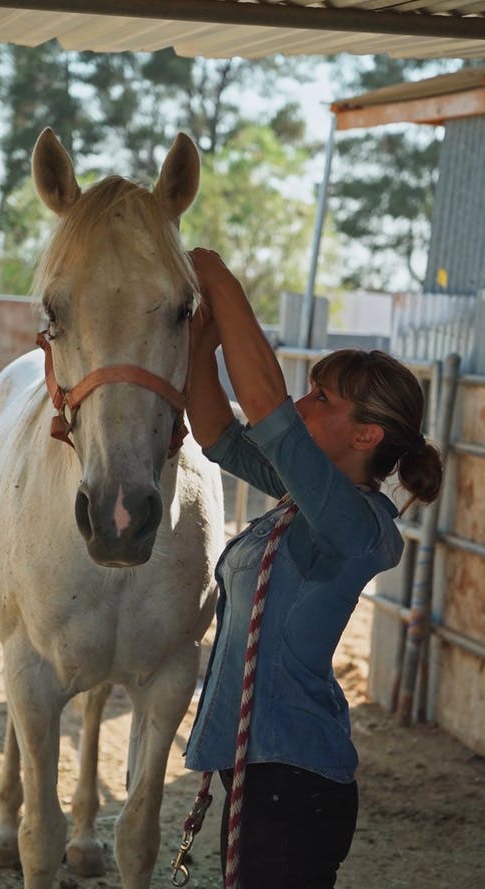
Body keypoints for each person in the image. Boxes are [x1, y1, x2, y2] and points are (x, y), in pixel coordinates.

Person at [183, 248, 443, 889]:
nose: (303, 402)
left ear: (366, 436)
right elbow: (216, 431)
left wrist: (218, 275)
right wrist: (199, 342)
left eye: (321, 397)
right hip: (266, 775)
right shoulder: (307, 496)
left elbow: (265, 405)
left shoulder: (352, 524)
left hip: (292, 786)